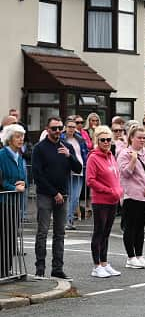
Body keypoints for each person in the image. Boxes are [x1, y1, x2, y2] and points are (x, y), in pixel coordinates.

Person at [32, 117, 82, 280]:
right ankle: (40, 268)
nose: (57, 131)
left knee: (60, 233)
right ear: (47, 129)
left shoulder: (66, 147)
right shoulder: (39, 148)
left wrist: (70, 156)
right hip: (46, 194)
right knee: (43, 231)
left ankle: (57, 268)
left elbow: (78, 168)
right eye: (54, 128)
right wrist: (54, 193)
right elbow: (37, 175)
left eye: (60, 128)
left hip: (64, 194)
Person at [118, 125, 145, 269]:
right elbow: (125, 173)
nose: (142, 140)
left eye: (144, 138)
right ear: (131, 138)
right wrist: (133, 160)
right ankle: (130, 257)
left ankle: (139, 255)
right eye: (139, 138)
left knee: (141, 227)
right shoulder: (124, 154)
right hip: (132, 196)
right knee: (130, 227)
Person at [85, 126, 123, 278]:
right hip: (100, 200)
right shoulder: (93, 158)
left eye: (108, 139)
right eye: (103, 140)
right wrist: (109, 190)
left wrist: (118, 190)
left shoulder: (111, 156)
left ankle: (105, 263)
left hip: (112, 200)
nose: (106, 142)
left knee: (106, 233)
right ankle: (96, 266)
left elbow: (116, 176)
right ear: (97, 141)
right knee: (99, 232)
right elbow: (90, 180)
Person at [0, 124, 27, 278]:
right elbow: (1, 180)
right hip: (3, 202)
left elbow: (22, 178)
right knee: (4, 236)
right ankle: (2, 270)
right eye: (17, 136)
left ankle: (7, 269)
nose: (21, 139)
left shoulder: (19, 156)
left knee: (11, 237)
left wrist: (23, 184)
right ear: (9, 139)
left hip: (15, 203)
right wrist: (13, 187)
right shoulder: (2, 155)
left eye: (22, 136)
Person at [61, 119, 88, 230]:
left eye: (73, 126)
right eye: (69, 126)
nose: (72, 129)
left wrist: (86, 164)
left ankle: (70, 219)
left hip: (80, 169)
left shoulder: (80, 139)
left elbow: (85, 153)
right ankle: (66, 220)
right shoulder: (61, 139)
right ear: (65, 127)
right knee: (67, 196)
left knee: (76, 197)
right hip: (67, 170)